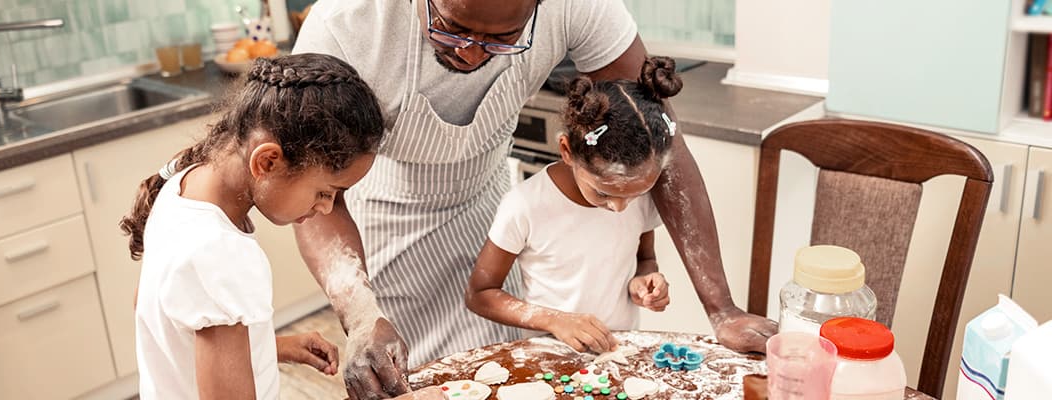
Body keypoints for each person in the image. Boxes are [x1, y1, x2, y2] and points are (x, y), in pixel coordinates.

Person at [292, 0, 780, 398]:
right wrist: (360, 316)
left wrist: (722, 309)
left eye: (502, 40)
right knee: (423, 381)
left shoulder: (579, 7)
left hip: (485, 201)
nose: (470, 55)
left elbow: (666, 144)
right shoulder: (346, 26)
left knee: (504, 374)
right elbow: (314, 189)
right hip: (384, 223)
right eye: (451, 29)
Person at [119, 54, 443, 399]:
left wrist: (266, 345)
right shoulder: (223, 252)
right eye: (325, 191)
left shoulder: (182, 186)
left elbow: (162, 315)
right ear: (268, 160)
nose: (326, 208)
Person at [465, 57, 680, 353]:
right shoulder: (525, 205)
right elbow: (481, 294)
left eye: (632, 195)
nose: (620, 207)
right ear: (566, 150)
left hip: (619, 350)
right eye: (604, 193)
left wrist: (643, 280)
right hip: (552, 355)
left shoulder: (638, 196)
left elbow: (644, 257)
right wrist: (555, 320)